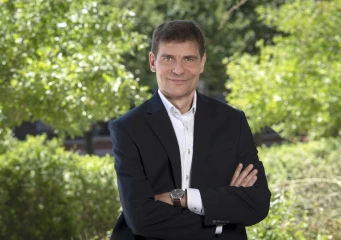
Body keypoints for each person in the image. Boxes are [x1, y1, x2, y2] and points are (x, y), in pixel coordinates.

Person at [108, 20, 271, 240]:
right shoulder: (128, 128)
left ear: (202, 62)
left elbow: (256, 204)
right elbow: (141, 219)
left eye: (189, 59)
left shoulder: (232, 121)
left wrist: (183, 197)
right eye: (168, 58)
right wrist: (220, 219)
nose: (178, 69)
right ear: (152, 61)